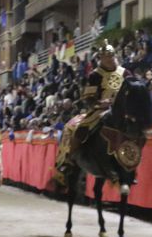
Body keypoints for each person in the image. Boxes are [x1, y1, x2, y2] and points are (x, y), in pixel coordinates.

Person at [53, 43, 126, 185]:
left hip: (121, 109)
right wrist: (100, 103)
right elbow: (88, 97)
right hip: (100, 109)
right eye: (107, 57)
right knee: (82, 129)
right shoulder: (95, 75)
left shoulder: (125, 73)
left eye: (112, 56)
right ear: (101, 58)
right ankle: (69, 158)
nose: (110, 59)